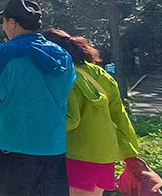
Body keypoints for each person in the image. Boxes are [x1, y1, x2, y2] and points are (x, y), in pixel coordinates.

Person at [0, 0, 76, 195]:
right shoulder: (62, 55)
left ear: (12, 22)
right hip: (54, 151)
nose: (3, 27)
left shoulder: (3, 53)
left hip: (14, 149)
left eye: (3, 21)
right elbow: (65, 89)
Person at [43, 29, 144, 196]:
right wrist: (130, 152)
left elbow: (71, 120)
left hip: (80, 153)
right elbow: (120, 115)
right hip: (106, 153)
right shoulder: (100, 73)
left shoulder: (64, 76)